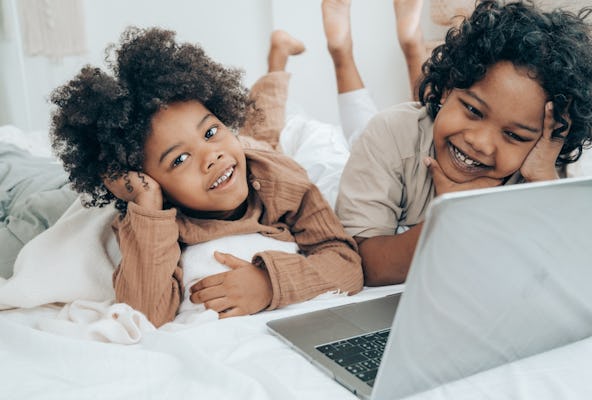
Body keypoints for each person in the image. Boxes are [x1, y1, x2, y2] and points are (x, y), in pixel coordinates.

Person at [49, 26, 363, 328]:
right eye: (180, 159)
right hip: (228, 160)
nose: (210, 155)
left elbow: (346, 263)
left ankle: (277, 61)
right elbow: (143, 315)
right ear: (150, 178)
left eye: (211, 131)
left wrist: (269, 283)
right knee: (260, 128)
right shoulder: (149, 218)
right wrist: (146, 202)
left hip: (254, 155)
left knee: (265, 127)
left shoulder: (282, 181)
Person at [334, 0, 592, 286]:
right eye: (473, 110)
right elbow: (367, 265)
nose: (480, 142)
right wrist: (455, 213)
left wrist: (542, 179)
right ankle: (359, 50)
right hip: (349, 171)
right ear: (447, 88)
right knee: (343, 138)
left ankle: (411, 47)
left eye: (514, 135)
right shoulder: (392, 133)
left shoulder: (533, 169)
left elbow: (567, 269)